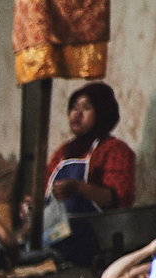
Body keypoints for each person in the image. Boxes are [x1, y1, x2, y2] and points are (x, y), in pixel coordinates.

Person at [43, 82, 135, 262]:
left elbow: (118, 201)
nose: (77, 114)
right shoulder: (63, 152)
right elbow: (45, 192)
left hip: (96, 248)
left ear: (101, 113)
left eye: (86, 108)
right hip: (56, 245)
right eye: (74, 107)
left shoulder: (115, 150)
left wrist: (79, 188)